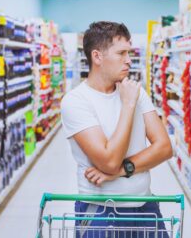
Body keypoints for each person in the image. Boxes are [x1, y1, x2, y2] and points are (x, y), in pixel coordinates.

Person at [61, 21, 173, 238]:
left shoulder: (135, 92)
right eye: (121, 53)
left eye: (129, 53)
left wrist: (122, 171)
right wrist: (128, 105)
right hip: (100, 213)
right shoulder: (76, 101)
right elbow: (109, 161)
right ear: (97, 57)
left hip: (145, 206)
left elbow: (164, 148)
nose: (129, 60)